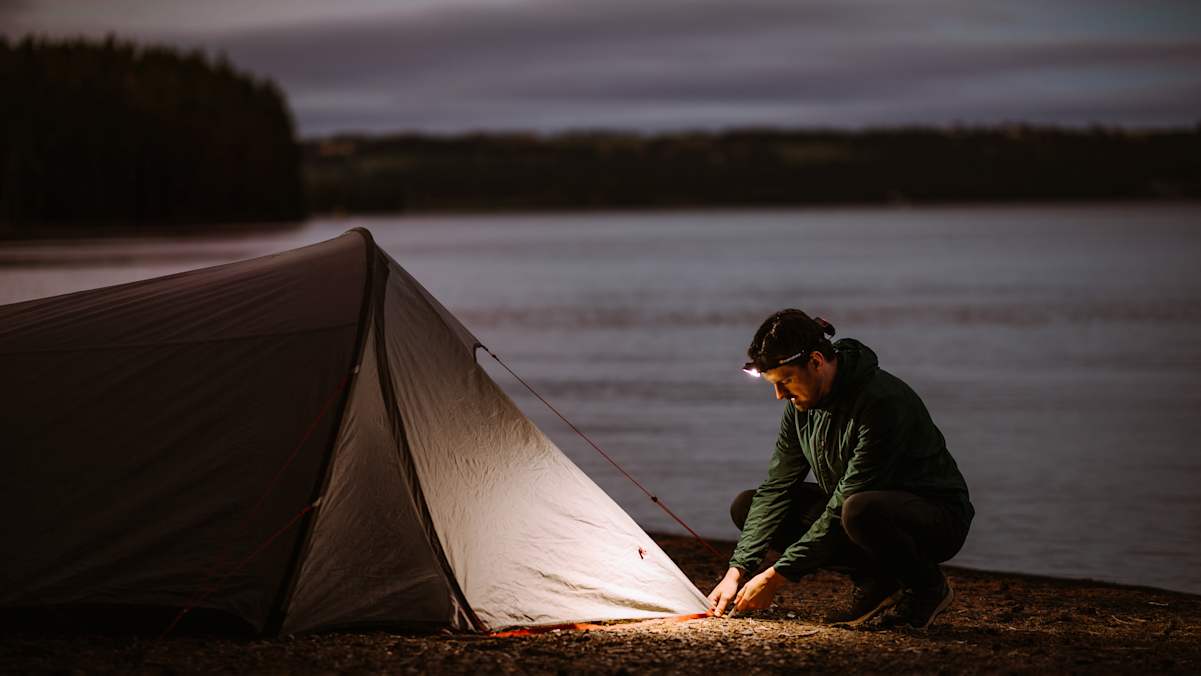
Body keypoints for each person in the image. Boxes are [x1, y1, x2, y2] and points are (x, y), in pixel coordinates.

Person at [708, 309, 974, 630]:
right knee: (748, 505)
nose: (781, 395)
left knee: (858, 510)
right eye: (775, 385)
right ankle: (877, 582)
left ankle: (927, 588)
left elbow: (844, 504)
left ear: (817, 362)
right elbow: (777, 488)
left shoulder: (881, 402)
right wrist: (736, 571)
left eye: (787, 380)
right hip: (858, 509)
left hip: (936, 519)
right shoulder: (800, 407)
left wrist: (776, 577)